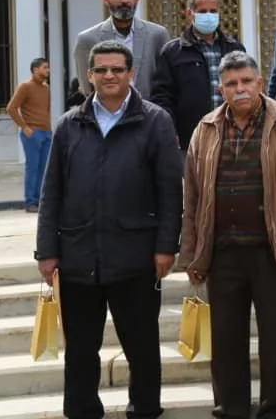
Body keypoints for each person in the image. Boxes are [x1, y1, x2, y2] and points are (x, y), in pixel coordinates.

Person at [35, 40, 183, 419]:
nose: (109, 76)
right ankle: (82, 411)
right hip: (78, 258)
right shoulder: (69, 124)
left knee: (142, 346)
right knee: (81, 350)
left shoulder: (155, 121)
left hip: (136, 257)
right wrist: (47, 251)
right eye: (101, 70)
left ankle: (144, 410)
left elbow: (170, 190)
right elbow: (52, 193)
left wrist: (166, 245)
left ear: (131, 73)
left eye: (117, 69)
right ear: (89, 75)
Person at [179, 52, 276, 419]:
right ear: (220, 89)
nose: (240, 89)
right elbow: (191, 196)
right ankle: (231, 407)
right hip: (222, 252)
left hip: (273, 250)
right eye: (231, 84)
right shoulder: (205, 128)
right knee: (225, 338)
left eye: (246, 81)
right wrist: (191, 253)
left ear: (260, 83)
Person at [151, 0, 245, 152]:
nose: (209, 16)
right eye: (202, 11)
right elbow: (162, 97)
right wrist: (170, 130)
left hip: (231, 135)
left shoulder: (234, 48)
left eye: (213, 11)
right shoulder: (173, 52)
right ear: (190, 14)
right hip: (190, 139)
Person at [74, 0, 170, 99]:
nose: (125, 0)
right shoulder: (87, 39)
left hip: (148, 108)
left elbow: (166, 82)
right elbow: (86, 87)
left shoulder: (157, 35)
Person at [6, 57, 51, 212]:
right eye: (45, 67)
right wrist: (24, 127)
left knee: (44, 168)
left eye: (48, 67)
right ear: (35, 69)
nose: (48, 70)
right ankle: (30, 202)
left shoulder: (46, 88)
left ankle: (39, 201)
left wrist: (49, 130)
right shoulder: (25, 86)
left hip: (46, 133)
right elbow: (11, 108)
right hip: (32, 133)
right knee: (33, 167)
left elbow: (45, 110)